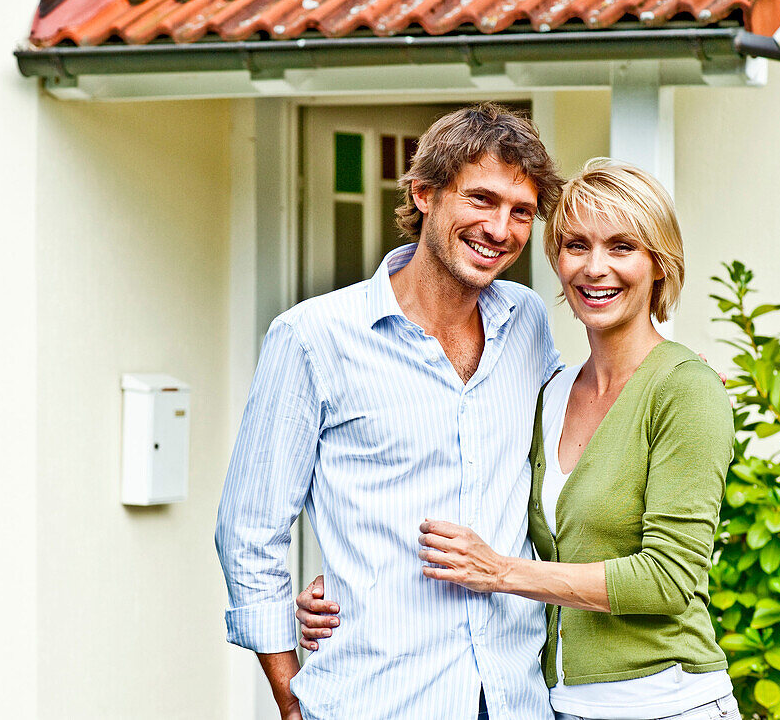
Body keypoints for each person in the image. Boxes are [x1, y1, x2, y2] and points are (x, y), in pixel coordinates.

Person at [300, 159, 739, 720]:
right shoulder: (551, 390)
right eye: (576, 245)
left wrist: (500, 572)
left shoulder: (684, 388)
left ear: (660, 264)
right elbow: (479, 495)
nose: (595, 268)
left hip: (665, 703)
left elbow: (669, 579)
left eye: (622, 247)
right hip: (554, 704)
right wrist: (357, 581)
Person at [215, 103, 564, 720]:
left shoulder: (527, 323)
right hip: (377, 701)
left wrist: (661, 374)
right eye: (481, 200)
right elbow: (249, 530)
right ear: (425, 192)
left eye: (522, 212)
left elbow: (577, 432)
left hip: (514, 698)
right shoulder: (312, 337)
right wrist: (288, 693)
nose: (501, 228)